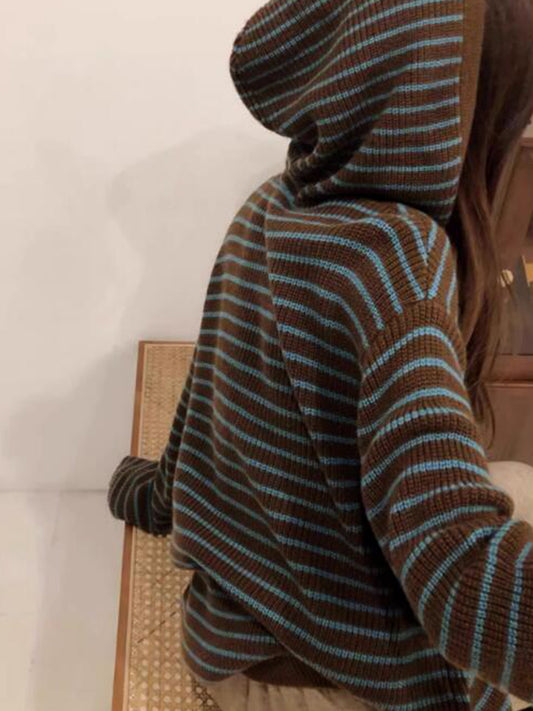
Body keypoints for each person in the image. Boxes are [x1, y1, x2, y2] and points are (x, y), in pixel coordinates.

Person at [107, 0, 533, 709]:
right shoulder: (401, 260)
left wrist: (154, 492)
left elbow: (209, 395)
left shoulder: (270, 202)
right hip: (299, 677)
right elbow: (452, 565)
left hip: (222, 630)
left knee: (514, 478)